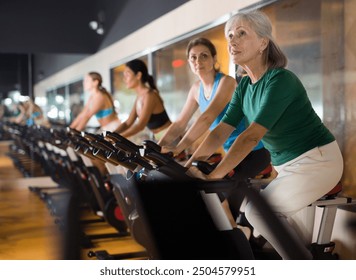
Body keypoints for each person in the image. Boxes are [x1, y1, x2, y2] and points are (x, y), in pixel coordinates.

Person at [185, 10, 343, 260]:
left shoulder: (280, 81)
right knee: (261, 217)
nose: (232, 41)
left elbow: (250, 137)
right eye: (229, 36)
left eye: (241, 33)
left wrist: (214, 176)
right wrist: (188, 165)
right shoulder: (244, 86)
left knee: (258, 214)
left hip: (318, 162)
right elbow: (220, 131)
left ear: (263, 43)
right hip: (289, 167)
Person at [159, 37, 271, 224]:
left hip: (253, 153)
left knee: (208, 187)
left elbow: (207, 118)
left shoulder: (226, 83)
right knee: (196, 179)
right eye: (193, 57)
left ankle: (237, 235)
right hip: (231, 154)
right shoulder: (196, 89)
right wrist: (158, 147)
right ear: (188, 62)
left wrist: (177, 149)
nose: (198, 61)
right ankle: (239, 232)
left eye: (204, 56)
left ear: (213, 59)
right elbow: (179, 123)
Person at [114, 59, 171, 143]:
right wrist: (112, 134)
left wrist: (119, 137)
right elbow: (128, 123)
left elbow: (140, 125)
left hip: (170, 137)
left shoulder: (149, 95)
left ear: (138, 75)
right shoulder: (139, 97)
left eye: (127, 74)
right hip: (158, 138)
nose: (124, 79)